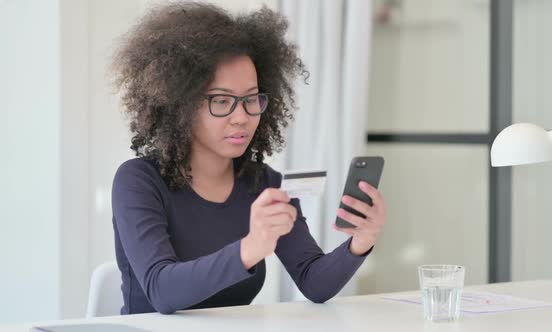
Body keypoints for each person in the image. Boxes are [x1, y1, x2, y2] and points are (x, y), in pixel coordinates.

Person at [110, 2, 387, 315]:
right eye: (222, 100)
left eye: (251, 99)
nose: (241, 116)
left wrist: (360, 243)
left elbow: (313, 281)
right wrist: (251, 247)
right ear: (181, 105)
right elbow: (162, 290)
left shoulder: (263, 183)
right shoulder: (139, 181)